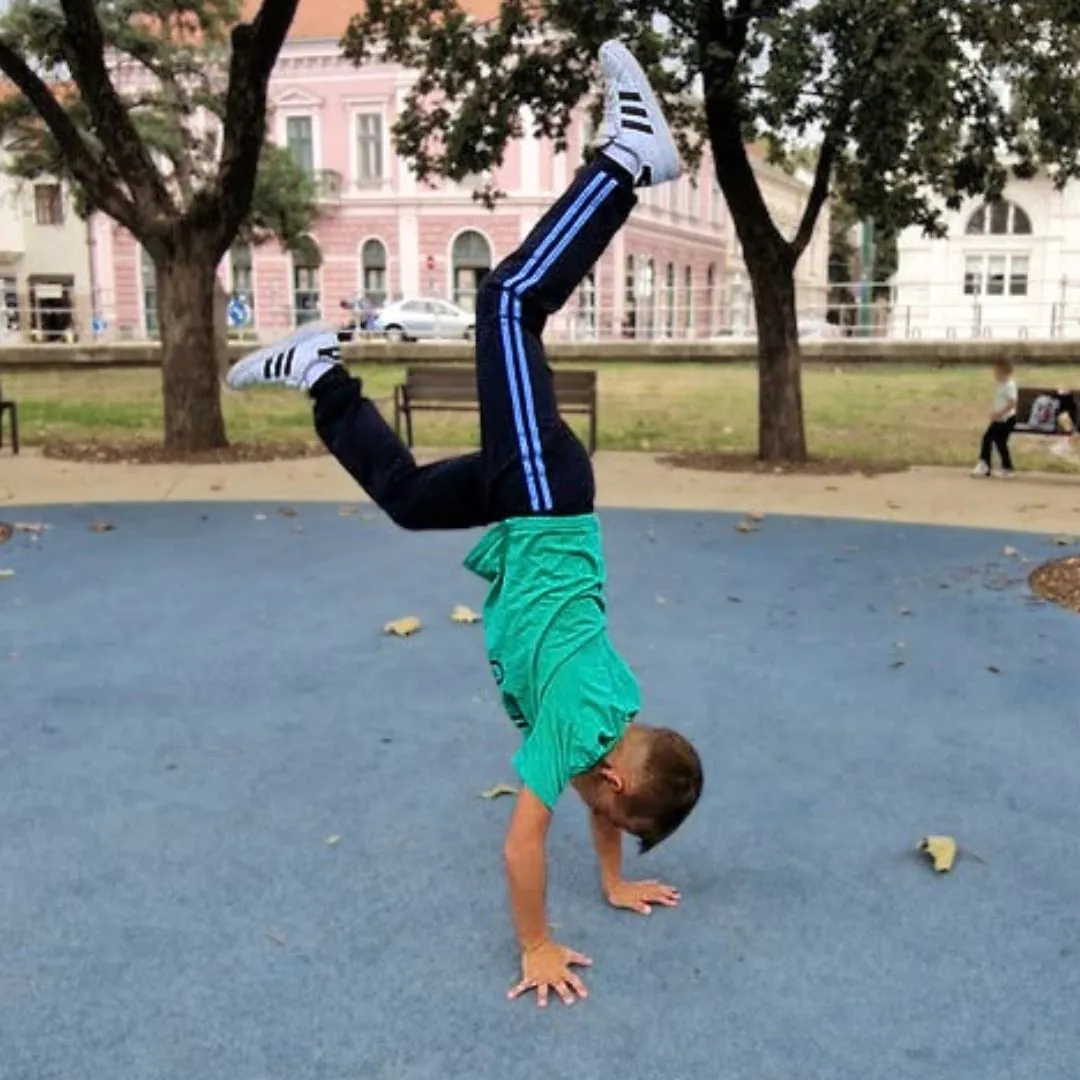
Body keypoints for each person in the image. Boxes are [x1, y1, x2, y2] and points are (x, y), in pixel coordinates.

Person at [226, 41, 703, 1008]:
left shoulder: (613, 729)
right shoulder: (576, 734)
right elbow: (522, 844)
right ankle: (628, 161)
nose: (599, 812)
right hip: (541, 497)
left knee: (408, 499)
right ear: (614, 779)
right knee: (509, 301)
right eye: (611, 814)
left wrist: (613, 882)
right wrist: (538, 943)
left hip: (537, 505)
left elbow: (605, 802)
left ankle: (321, 373)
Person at [972, 360, 1018, 478]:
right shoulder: (1000, 384)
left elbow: (1012, 403)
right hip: (999, 418)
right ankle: (987, 464)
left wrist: (999, 413)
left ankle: (1005, 467)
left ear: (1005, 372)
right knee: (990, 439)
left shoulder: (1009, 385)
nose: (995, 374)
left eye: (997, 372)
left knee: (997, 440)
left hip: (1007, 419)